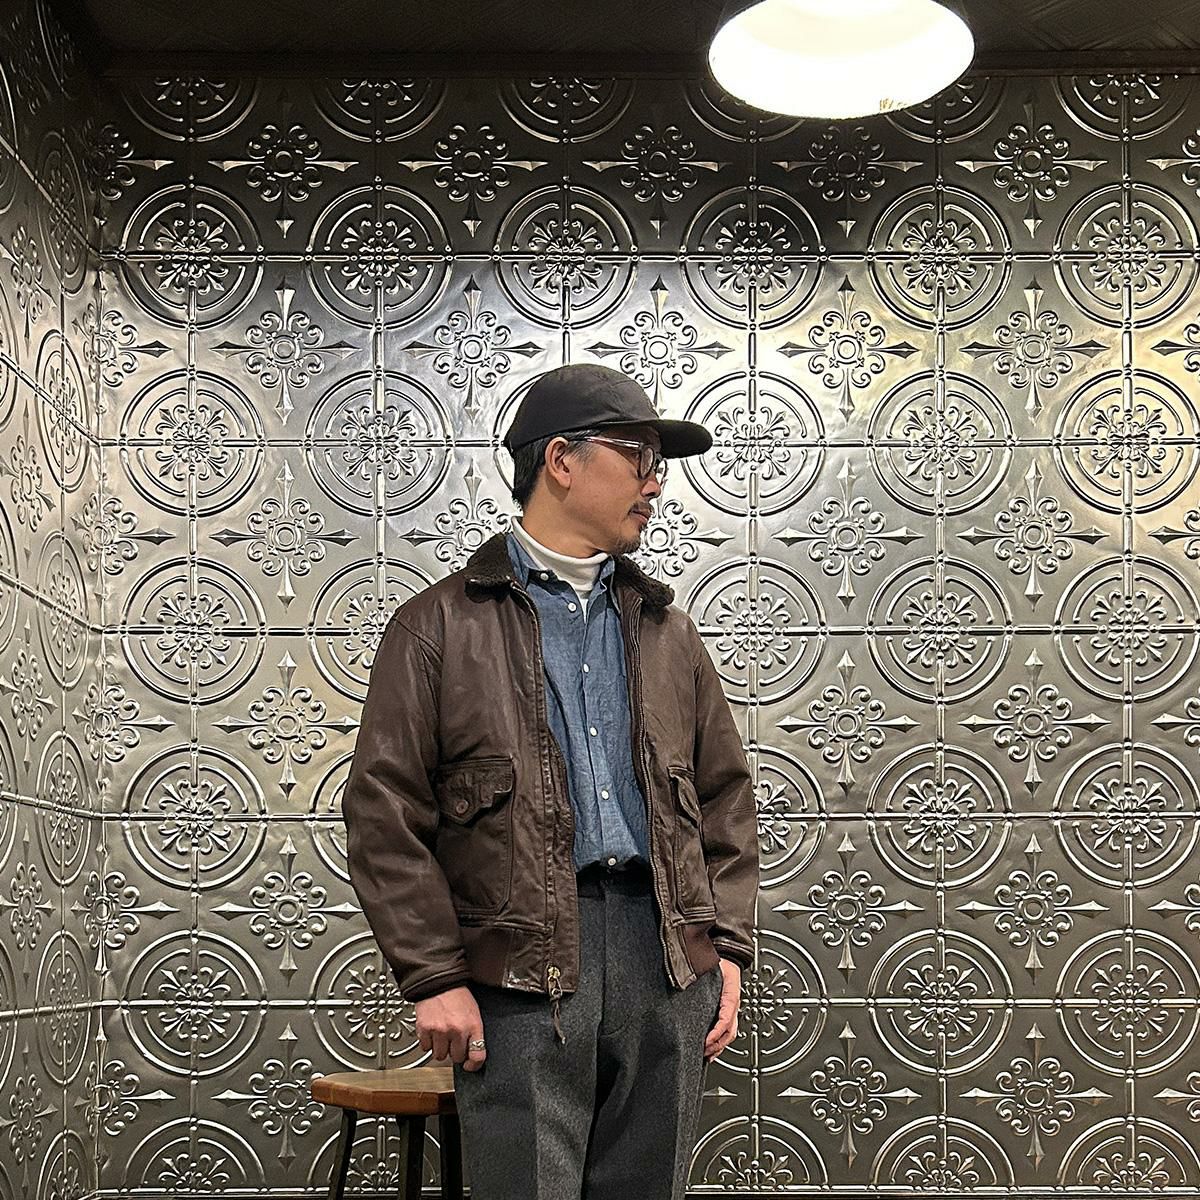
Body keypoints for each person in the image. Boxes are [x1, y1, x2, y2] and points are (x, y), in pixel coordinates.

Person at [342, 362, 759, 1199]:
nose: (655, 483)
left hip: (665, 958)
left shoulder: (667, 632)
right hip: (516, 972)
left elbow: (723, 796)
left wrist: (726, 947)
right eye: (639, 458)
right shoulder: (437, 626)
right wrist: (434, 976)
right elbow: (385, 811)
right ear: (562, 460)